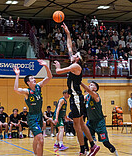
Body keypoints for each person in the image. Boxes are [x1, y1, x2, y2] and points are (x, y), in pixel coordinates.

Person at [53, 23, 99, 156]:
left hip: (77, 97)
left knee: (77, 125)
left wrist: (56, 66)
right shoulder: (75, 62)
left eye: (75, 54)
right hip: (74, 97)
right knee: (80, 124)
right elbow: (69, 46)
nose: (72, 54)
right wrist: (67, 34)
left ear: (78, 58)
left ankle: (85, 149)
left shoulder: (76, 66)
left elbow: (59, 71)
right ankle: (90, 146)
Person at [13, 59, 52, 156]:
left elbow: (49, 77)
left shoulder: (39, 86)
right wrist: (17, 75)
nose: (34, 79)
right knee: (41, 140)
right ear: (28, 82)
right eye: (31, 78)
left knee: (36, 138)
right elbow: (16, 89)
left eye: (34, 78)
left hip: (39, 115)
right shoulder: (27, 92)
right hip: (32, 117)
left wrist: (46, 66)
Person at [81, 81, 119, 156]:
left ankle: (115, 152)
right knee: (84, 137)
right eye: (89, 85)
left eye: (91, 85)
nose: (89, 86)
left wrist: (80, 82)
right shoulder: (87, 96)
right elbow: (80, 98)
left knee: (105, 142)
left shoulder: (95, 95)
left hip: (99, 123)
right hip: (91, 122)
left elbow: (88, 90)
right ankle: (88, 152)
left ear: (95, 88)